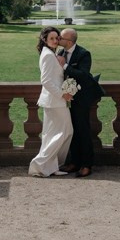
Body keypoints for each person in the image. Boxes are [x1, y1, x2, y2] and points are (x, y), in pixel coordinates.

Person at [58, 27, 105, 178]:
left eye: (61, 38)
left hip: (81, 99)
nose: (58, 40)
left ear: (69, 41)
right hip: (66, 99)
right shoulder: (60, 53)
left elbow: (84, 75)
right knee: (71, 131)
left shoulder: (83, 54)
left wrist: (64, 66)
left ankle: (86, 165)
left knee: (83, 131)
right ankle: (74, 162)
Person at [28, 27, 73, 177]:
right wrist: (63, 94)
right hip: (55, 101)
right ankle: (39, 164)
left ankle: (50, 167)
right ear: (45, 40)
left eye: (57, 38)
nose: (55, 41)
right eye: (52, 38)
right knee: (65, 131)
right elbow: (46, 81)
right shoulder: (48, 55)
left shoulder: (51, 54)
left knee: (51, 134)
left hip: (54, 101)